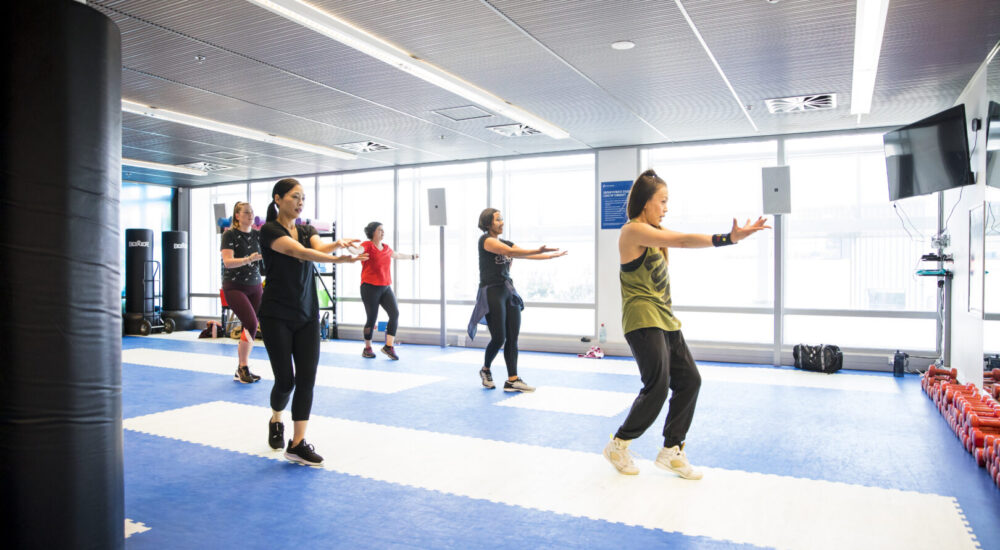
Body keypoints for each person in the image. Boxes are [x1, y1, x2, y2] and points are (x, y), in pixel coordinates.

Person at [603, 169, 770, 478]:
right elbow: (682, 240)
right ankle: (619, 444)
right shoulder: (632, 231)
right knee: (658, 386)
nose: (666, 208)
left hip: (666, 320)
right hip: (642, 319)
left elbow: (675, 241)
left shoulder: (655, 233)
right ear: (645, 202)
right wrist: (728, 238)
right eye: (662, 201)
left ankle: (671, 450)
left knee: (690, 380)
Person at [259, 178, 367, 466]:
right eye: (295, 197)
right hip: (276, 316)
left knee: (307, 379)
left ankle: (297, 444)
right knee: (286, 381)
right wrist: (338, 261)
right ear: (278, 199)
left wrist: (337, 244)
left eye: (303, 198)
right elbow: (299, 252)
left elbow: (317, 245)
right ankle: (276, 417)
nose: (300, 202)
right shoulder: (269, 230)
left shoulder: (306, 230)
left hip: (307, 314)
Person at [468, 208, 566, 393]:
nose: (502, 222)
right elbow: (509, 251)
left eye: (502, 219)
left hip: (508, 291)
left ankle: (512, 379)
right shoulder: (486, 241)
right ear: (488, 223)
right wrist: (538, 249)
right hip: (492, 292)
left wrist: (549, 256)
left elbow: (520, 253)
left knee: (513, 337)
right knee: (499, 338)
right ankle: (485, 369)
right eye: (498, 219)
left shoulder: (506, 243)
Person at [358, 221, 418, 360]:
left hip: (385, 287)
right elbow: (357, 251)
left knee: (394, 313)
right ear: (372, 232)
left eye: (383, 230)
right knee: (371, 318)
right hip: (369, 287)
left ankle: (388, 347)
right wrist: (349, 248)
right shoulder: (367, 246)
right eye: (380, 230)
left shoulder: (386, 248)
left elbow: (397, 255)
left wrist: (411, 257)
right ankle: (367, 348)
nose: (382, 232)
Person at [220, 201, 263, 384]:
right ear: (237, 216)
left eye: (252, 212)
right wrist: (248, 259)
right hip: (235, 286)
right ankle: (243, 367)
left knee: (251, 326)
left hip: (255, 285)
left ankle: (241, 367)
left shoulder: (257, 235)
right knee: (251, 324)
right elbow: (228, 262)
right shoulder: (230, 234)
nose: (250, 215)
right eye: (246, 212)